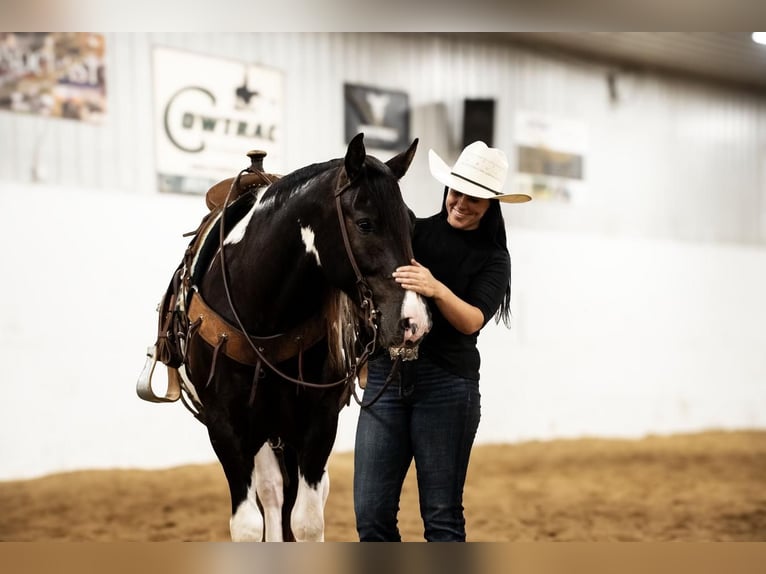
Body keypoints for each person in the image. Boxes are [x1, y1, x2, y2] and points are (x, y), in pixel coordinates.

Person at [353, 141, 532, 542]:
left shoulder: (493, 258)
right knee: (371, 514)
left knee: (442, 517)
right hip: (388, 379)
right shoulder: (412, 232)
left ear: (491, 205)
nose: (462, 203)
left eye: (475, 198)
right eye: (457, 191)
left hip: (447, 387)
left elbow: (471, 321)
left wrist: (436, 288)